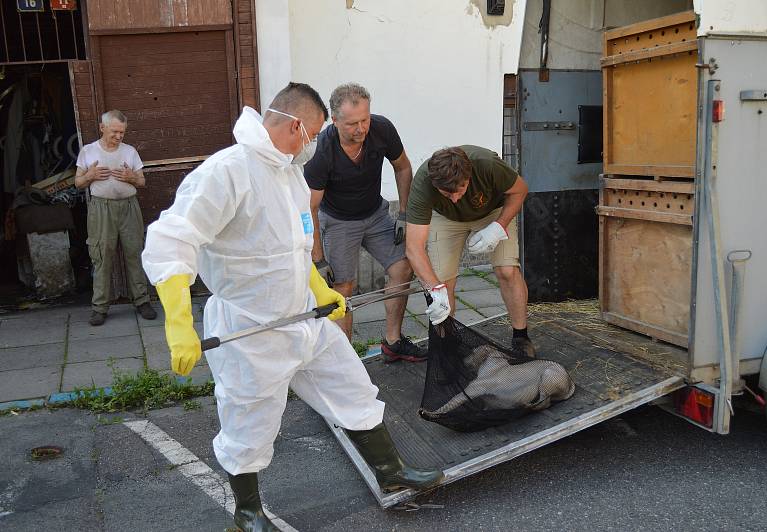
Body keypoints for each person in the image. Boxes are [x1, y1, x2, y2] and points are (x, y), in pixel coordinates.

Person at [141, 83, 442, 531]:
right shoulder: (226, 172)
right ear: (297, 125)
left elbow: (293, 249)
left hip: (305, 318)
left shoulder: (287, 174)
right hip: (252, 328)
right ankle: (247, 515)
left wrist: (322, 292)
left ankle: (392, 472)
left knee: (353, 389)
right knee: (249, 423)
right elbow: (171, 242)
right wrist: (179, 322)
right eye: (316, 133)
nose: (316, 144)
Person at [304, 83, 426, 363]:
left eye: (365, 120)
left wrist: (405, 214)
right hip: (338, 221)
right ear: (334, 121)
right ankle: (345, 361)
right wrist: (318, 258)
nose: (361, 129)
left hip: (376, 214)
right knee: (342, 289)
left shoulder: (382, 129)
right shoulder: (322, 150)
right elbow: (310, 206)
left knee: (403, 267)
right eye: (352, 124)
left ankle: (393, 342)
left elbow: (403, 166)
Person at [404, 145, 536, 359]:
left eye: (461, 188)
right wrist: (434, 289)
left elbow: (520, 190)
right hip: (445, 218)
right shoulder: (423, 182)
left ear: (469, 175)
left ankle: (521, 337)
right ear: (435, 184)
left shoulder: (487, 164)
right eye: (447, 193)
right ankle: (446, 348)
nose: (455, 198)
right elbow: (413, 247)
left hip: (492, 212)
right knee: (442, 284)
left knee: (507, 271)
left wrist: (499, 227)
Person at [75, 110, 156, 326]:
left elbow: (142, 181)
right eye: (115, 131)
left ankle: (142, 301)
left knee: (134, 253)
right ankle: (100, 307)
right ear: (102, 128)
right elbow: (78, 182)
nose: (119, 136)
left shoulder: (129, 151)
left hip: (129, 208)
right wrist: (89, 176)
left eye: (122, 132)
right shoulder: (88, 151)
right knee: (101, 256)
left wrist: (132, 178)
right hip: (101, 209)